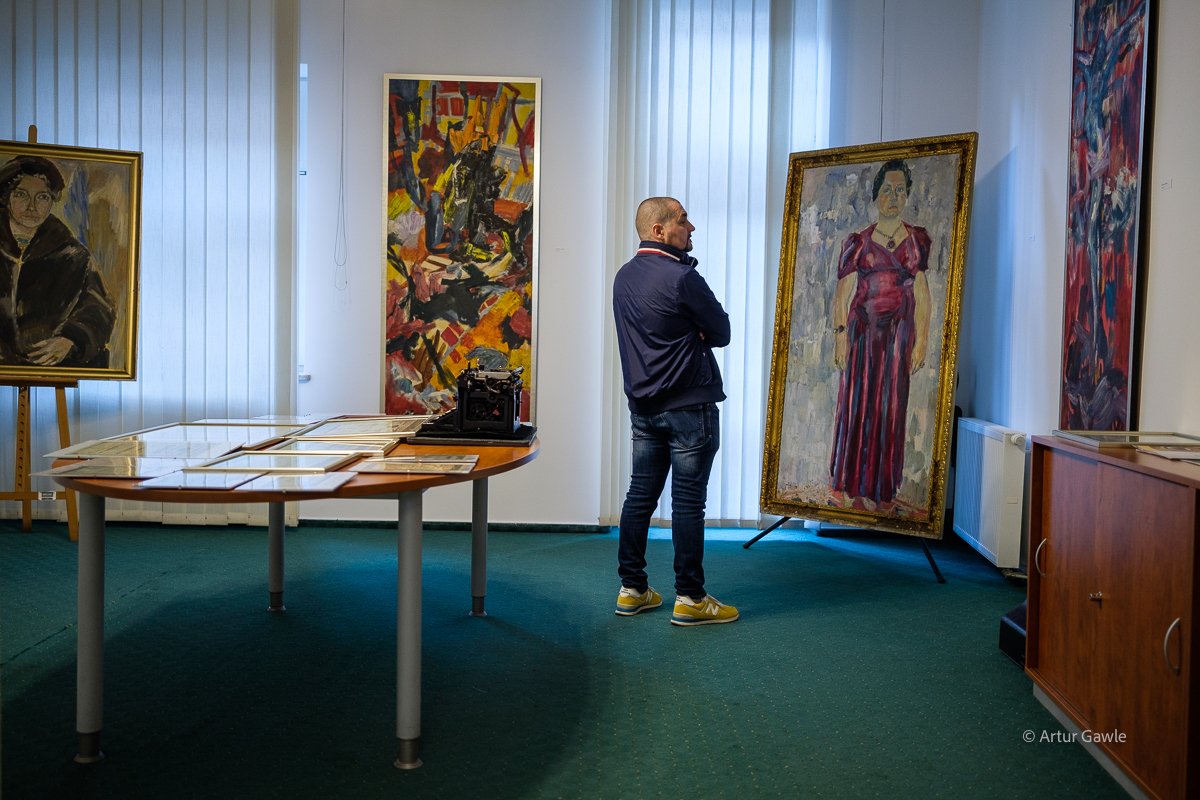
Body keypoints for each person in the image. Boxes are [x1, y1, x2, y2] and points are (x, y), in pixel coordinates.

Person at [611, 196, 738, 626]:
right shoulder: (683, 278)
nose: (692, 227)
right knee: (688, 504)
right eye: (683, 220)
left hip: (643, 408)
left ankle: (632, 590)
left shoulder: (623, 277)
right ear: (659, 230)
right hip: (688, 407)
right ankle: (691, 598)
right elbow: (721, 331)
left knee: (639, 496)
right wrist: (695, 331)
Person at [829, 159, 931, 513]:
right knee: (857, 406)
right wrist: (840, 335)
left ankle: (880, 491)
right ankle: (849, 486)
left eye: (900, 190)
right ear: (876, 195)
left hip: (898, 338)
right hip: (862, 336)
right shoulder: (858, 241)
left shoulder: (916, 240)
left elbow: (923, 294)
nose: (894, 196)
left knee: (890, 409)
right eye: (887, 189)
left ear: (907, 195)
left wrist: (922, 340)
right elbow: (843, 292)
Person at [0, 155, 115, 369]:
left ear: (53, 200)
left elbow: (99, 310)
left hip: (51, 364)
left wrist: (70, 339)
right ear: (6, 197)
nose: (32, 207)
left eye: (42, 197)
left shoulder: (73, 255)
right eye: (21, 195)